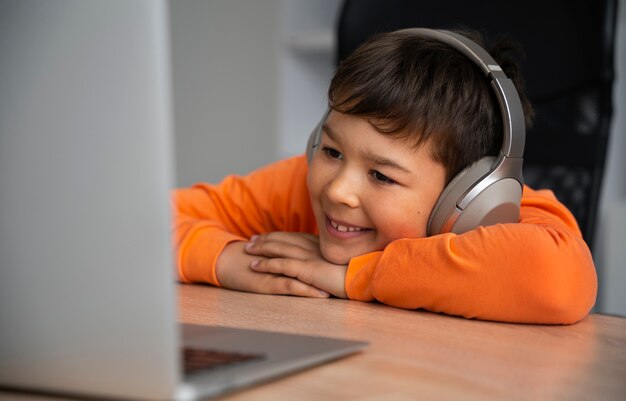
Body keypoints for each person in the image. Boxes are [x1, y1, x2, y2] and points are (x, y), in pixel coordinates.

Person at [172, 29, 597, 324]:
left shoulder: (502, 216)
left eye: (381, 175)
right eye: (332, 150)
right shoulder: (302, 187)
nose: (337, 189)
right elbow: (142, 220)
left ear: (465, 194)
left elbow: (555, 281)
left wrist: (353, 277)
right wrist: (225, 259)